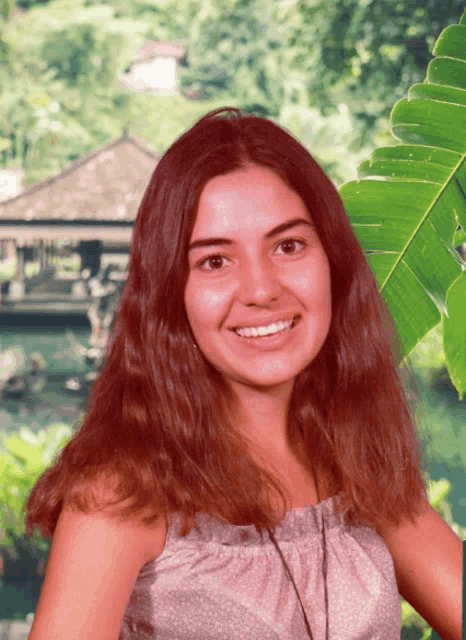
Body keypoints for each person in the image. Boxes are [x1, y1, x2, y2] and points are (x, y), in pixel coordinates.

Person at [25, 107, 462, 640]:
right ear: (170, 294)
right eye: (214, 261)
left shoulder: (356, 458)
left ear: (333, 263)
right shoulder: (120, 494)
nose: (261, 288)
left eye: (288, 246)